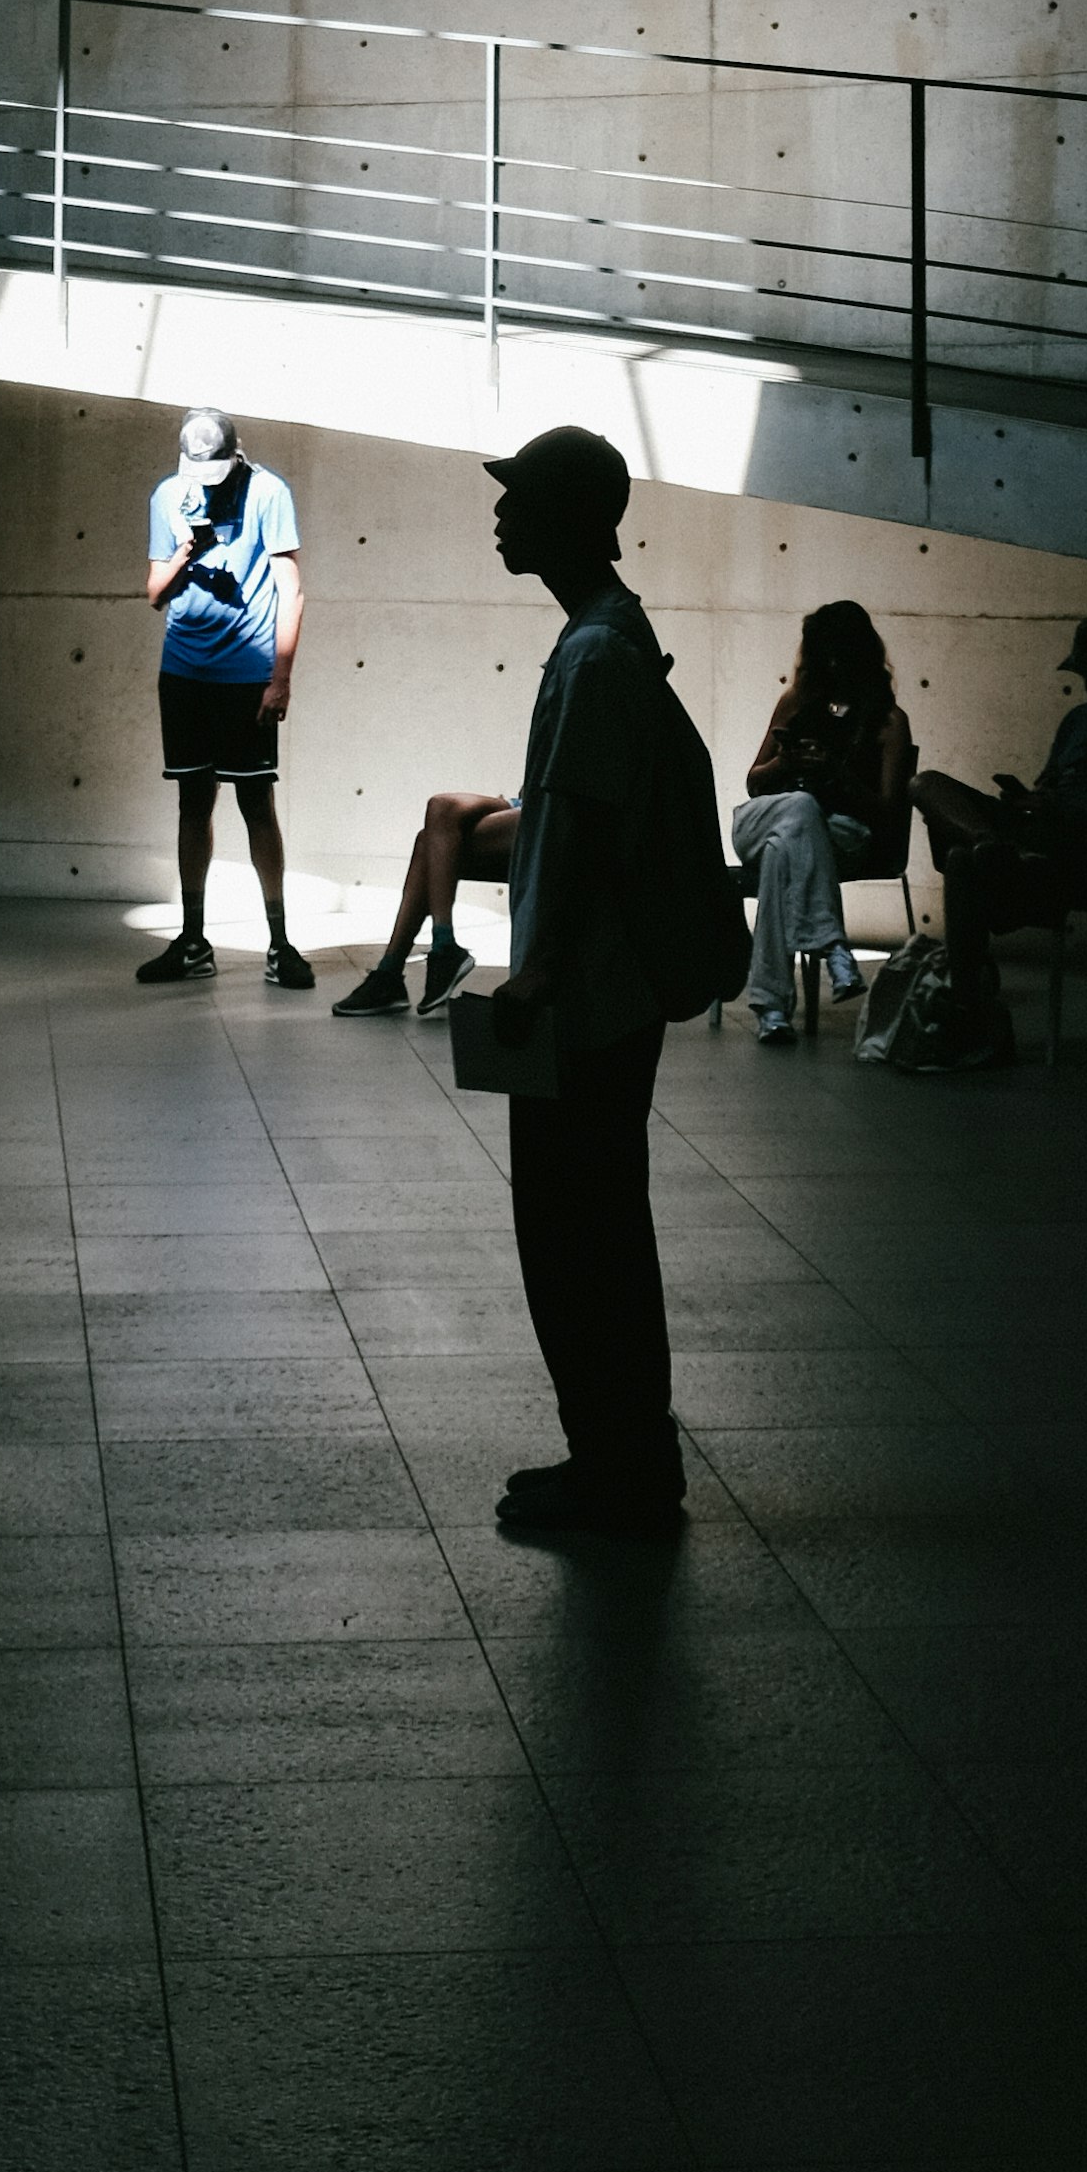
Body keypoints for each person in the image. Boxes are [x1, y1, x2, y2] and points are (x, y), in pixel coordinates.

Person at [481, 424, 725, 1538]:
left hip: (584, 1002)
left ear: (572, 519)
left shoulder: (590, 655)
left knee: (577, 1240)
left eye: (519, 498)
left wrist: (533, 976)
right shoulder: (614, 636)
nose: (500, 514)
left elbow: (579, 828)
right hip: (612, 996)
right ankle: (620, 1459)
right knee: (602, 1231)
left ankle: (620, 1472)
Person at [138, 406, 311, 989]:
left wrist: (280, 677)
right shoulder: (169, 495)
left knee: (256, 805)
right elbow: (154, 594)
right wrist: (187, 552)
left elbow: (292, 592)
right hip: (184, 672)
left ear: (235, 455)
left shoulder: (268, 492)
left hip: (247, 676)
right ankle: (192, 943)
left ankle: (280, 944)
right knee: (193, 803)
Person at [913, 612, 1087, 1013]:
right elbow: (1048, 783)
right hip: (1034, 833)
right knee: (926, 784)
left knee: (960, 862)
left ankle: (967, 1008)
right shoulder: (1077, 720)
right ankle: (991, 844)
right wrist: (1030, 798)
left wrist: (1056, 807)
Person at [732, 600, 914, 1044]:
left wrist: (838, 774)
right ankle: (833, 944)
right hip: (765, 818)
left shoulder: (888, 721)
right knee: (798, 808)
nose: (831, 665)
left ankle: (771, 1008)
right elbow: (754, 783)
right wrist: (785, 762)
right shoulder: (795, 702)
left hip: (842, 833)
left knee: (785, 847)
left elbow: (889, 812)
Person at [332, 784, 514, 1016]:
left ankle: (394, 971)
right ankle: (441, 946)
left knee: (427, 841)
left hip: (547, 810)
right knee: (440, 806)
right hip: (521, 802)